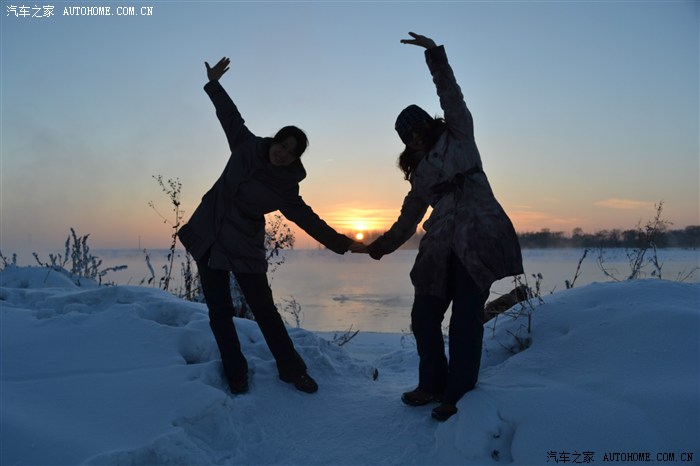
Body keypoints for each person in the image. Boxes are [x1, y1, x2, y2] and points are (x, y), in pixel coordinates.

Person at [178, 57, 364, 395]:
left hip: (243, 244)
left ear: (296, 158)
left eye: (291, 152)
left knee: (264, 310)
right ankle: (236, 372)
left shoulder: (285, 187)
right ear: (274, 141)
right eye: (282, 145)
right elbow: (229, 115)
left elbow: (307, 219)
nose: (283, 154)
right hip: (209, 234)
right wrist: (214, 84)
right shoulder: (246, 145)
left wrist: (343, 243)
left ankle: (292, 370)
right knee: (219, 311)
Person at [362, 33, 524, 421]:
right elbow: (407, 220)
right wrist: (381, 245)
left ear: (429, 124)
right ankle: (431, 384)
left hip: (478, 238)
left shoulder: (459, 136)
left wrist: (434, 55)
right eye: (408, 135)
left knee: (465, 321)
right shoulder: (419, 176)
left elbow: (451, 96)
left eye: (418, 127)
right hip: (438, 251)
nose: (415, 136)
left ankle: (458, 393)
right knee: (423, 318)